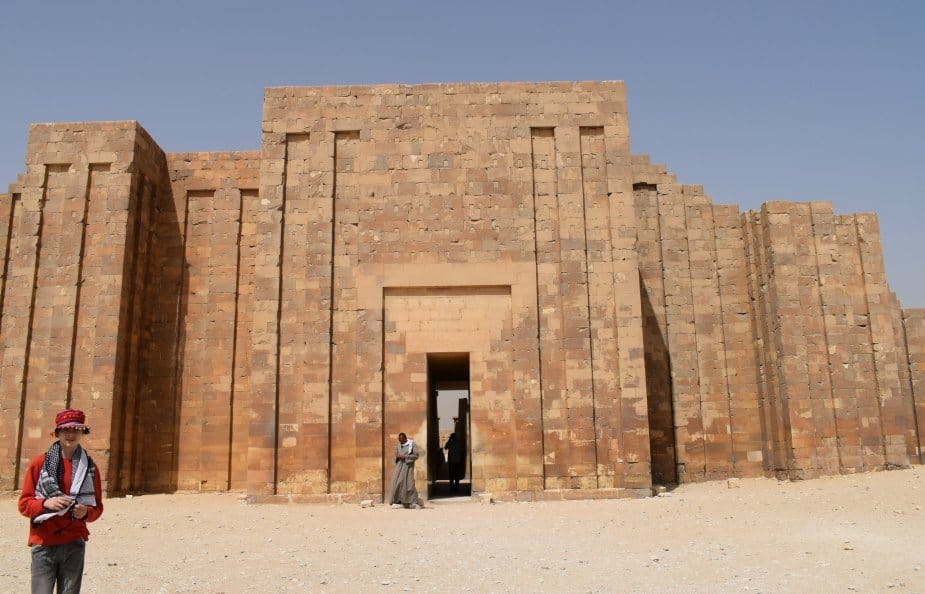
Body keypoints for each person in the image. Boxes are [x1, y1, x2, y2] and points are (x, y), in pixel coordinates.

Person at [18, 409, 103, 594]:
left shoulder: (90, 468)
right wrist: (45, 504)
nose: (70, 434)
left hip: (74, 542)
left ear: (82, 432)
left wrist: (86, 512)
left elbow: (96, 508)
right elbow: (24, 505)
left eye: (75, 430)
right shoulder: (39, 464)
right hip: (44, 542)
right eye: (66, 430)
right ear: (57, 432)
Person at [388, 432, 421, 508]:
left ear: (405, 438)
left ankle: (412, 501)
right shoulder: (399, 445)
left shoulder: (412, 444)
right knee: (397, 482)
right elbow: (396, 454)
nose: (401, 442)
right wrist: (398, 456)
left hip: (408, 466)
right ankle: (398, 500)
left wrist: (405, 457)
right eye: (400, 440)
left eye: (402, 440)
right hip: (399, 467)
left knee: (409, 483)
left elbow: (416, 455)